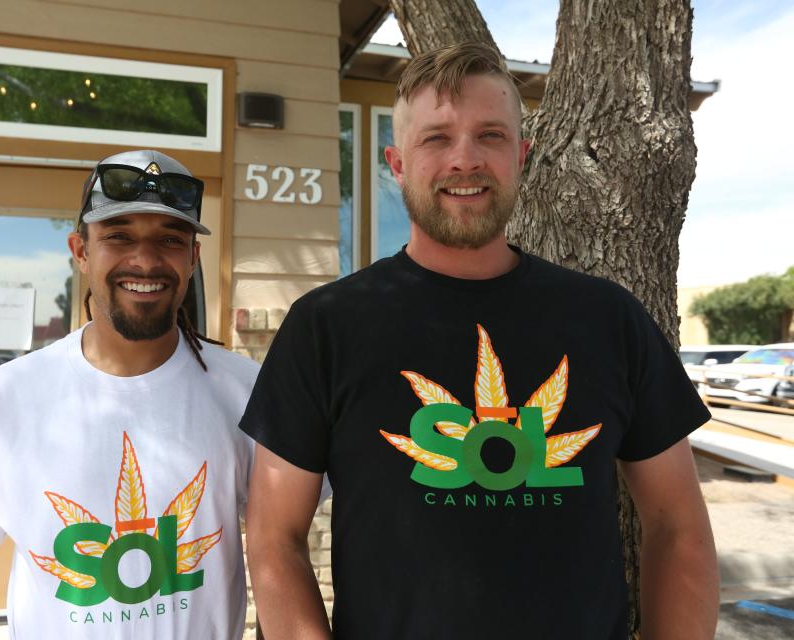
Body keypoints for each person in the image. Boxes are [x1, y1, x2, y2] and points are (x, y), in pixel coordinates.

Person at [240, 43, 719, 640]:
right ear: (396, 162)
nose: (464, 159)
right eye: (436, 138)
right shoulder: (325, 326)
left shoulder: (608, 319)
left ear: (522, 154)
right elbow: (273, 537)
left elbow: (678, 526)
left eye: (490, 135)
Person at [0, 150, 259, 639]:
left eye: (169, 239)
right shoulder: (7, 397)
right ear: (80, 251)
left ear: (193, 258)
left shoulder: (246, 392)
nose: (145, 259)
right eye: (118, 236)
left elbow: (280, 551)